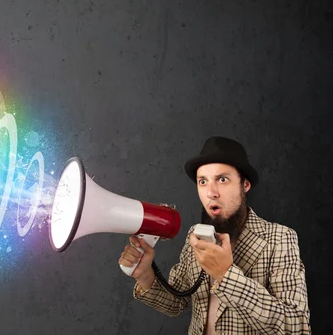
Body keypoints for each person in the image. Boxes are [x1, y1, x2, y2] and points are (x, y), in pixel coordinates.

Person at [119, 136, 311, 334]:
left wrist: (225, 275)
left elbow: (296, 327)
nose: (211, 192)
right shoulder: (195, 235)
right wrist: (145, 276)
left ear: (245, 185)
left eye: (222, 179)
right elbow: (176, 303)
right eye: (203, 181)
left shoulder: (279, 238)